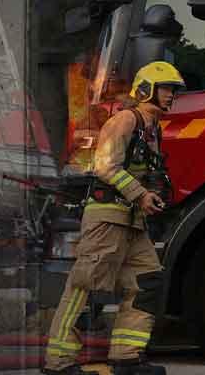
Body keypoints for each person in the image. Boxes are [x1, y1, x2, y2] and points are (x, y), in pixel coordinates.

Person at [43, 59, 185, 375]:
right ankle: (59, 363)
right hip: (108, 217)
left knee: (147, 282)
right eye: (167, 89)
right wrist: (141, 194)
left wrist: (154, 192)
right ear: (147, 89)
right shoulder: (125, 120)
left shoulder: (152, 129)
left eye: (174, 90)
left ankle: (126, 358)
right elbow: (105, 166)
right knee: (85, 286)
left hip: (133, 221)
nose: (172, 95)